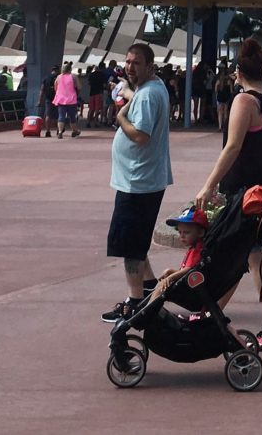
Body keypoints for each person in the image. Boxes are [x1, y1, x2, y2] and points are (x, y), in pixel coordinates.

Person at [193, 38, 262, 351]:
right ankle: (210, 313)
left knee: (247, 256)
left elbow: (233, 146)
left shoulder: (244, 101)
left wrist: (208, 184)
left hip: (246, 193)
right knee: (243, 255)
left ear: (238, 72)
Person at [101, 43, 174, 322]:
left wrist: (121, 118)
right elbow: (138, 97)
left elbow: (141, 135)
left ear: (149, 66)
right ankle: (150, 287)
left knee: (130, 246)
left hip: (138, 181)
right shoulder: (154, 88)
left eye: (137, 63)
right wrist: (129, 93)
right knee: (137, 240)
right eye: (128, 62)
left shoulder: (147, 95)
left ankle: (134, 301)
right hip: (142, 179)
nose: (131, 67)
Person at [149, 206, 209, 297]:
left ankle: (148, 310)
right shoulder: (194, 247)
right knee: (162, 284)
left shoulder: (198, 250)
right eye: (180, 232)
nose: (182, 236)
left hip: (191, 288)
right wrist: (170, 271)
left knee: (162, 287)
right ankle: (150, 307)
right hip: (189, 283)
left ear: (200, 233)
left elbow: (188, 270)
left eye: (186, 232)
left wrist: (170, 277)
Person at [52, 63, 82, 139]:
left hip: (61, 99)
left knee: (61, 116)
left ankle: (60, 132)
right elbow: (79, 87)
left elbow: (55, 87)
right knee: (72, 117)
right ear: (70, 69)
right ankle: (74, 130)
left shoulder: (59, 77)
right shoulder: (73, 76)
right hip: (71, 99)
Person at [38, 65, 60, 137]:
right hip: (58, 99)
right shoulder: (59, 78)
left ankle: (48, 131)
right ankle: (58, 130)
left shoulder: (46, 78)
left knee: (48, 115)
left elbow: (42, 90)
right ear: (57, 70)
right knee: (58, 115)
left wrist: (39, 101)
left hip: (48, 99)